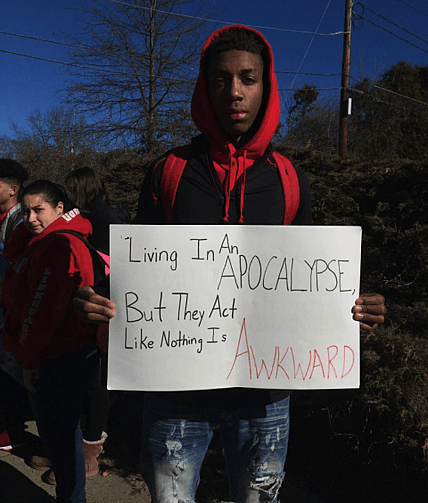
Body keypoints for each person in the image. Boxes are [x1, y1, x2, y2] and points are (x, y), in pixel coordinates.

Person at [74, 25, 386, 503]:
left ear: (267, 86)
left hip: (265, 399)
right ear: (204, 87)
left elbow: (308, 283)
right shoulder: (169, 171)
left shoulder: (289, 179)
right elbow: (137, 271)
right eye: (220, 80)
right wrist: (102, 301)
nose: (234, 92)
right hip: (174, 392)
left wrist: (351, 310)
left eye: (248, 78)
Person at [1, 180, 100, 503]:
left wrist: (30, 363)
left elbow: (42, 312)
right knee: (58, 434)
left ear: (60, 209)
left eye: (38, 210)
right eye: (25, 212)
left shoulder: (58, 246)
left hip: (55, 359)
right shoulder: (41, 242)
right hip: (47, 355)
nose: (30, 219)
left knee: (60, 434)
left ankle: (71, 497)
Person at [64, 166, 131, 478]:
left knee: (97, 380)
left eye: (70, 189)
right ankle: (92, 440)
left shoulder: (99, 218)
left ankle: (92, 448)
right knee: (97, 377)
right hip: (107, 304)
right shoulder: (111, 211)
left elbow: (114, 262)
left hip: (104, 305)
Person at [0, 158, 29, 451]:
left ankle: (13, 431)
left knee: (14, 372)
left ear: (12, 189)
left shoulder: (23, 219)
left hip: (15, 309)